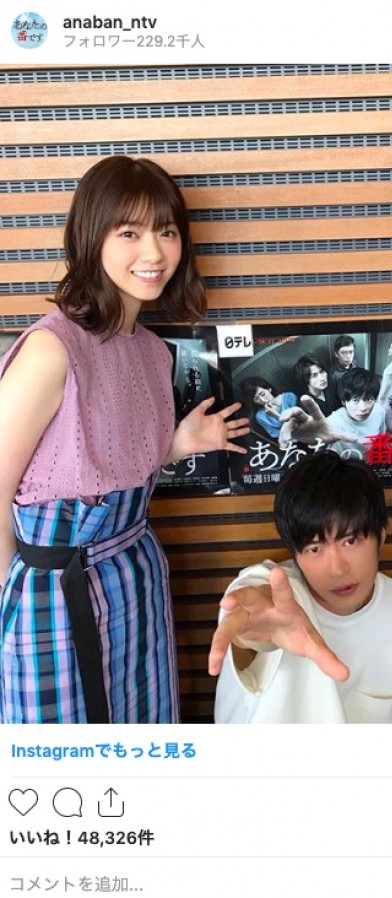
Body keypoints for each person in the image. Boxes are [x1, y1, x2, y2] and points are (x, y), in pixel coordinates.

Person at [0, 156, 250, 724]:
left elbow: (102, 464)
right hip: (55, 598)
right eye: (129, 233)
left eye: (167, 231)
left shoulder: (152, 352)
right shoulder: (51, 349)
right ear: (92, 237)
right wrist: (6, 608)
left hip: (135, 575)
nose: (154, 253)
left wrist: (178, 444)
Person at [210, 451, 392, 723]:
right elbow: (255, 596)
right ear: (294, 555)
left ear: (381, 537)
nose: (337, 569)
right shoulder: (280, 594)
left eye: (350, 541)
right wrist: (247, 638)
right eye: (314, 548)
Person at [325, 368, 385, 458]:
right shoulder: (333, 422)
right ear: (343, 401)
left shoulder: (379, 411)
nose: (363, 408)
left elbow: (381, 435)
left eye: (368, 399)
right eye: (355, 400)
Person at [239, 376, 298, 441]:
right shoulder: (260, 415)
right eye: (256, 399)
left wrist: (275, 415)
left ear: (269, 389)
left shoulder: (289, 397)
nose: (263, 400)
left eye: (262, 394)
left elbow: (297, 423)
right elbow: (274, 434)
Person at [328, 334, 357, 404]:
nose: (348, 356)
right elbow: (333, 399)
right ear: (336, 354)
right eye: (343, 353)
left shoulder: (354, 364)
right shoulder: (333, 375)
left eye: (351, 352)